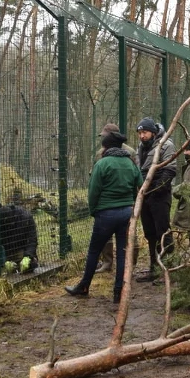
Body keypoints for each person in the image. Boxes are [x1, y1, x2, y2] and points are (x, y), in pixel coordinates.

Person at [65, 127, 143, 303]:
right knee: (123, 253)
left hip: (106, 214)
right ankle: (119, 292)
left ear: (106, 148)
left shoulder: (102, 164)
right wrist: (131, 205)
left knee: (94, 250)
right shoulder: (130, 163)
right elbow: (140, 186)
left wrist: (94, 210)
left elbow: (93, 192)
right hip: (127, 213)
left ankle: (84, 286)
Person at [134, 116, 176, 280]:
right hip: (144, 196)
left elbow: (170, 170)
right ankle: (154, 268)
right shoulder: (141, 147)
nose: (142, 136)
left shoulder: (166, 145)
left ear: (152, 132)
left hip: (160, 195)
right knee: (149, 233)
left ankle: (167, 268)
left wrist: (157, 188)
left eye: (144, 132)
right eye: (139, 133)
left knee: (163, 232)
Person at [91, 123, 137, 273]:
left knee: (130, 234)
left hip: (126, 199)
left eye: (104, 136)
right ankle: (107, 261)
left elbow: (136, 175)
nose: (102, 138)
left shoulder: (130, 152)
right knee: (106, 235)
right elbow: (95, 177)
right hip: (106, 200)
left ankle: (131, 262)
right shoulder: (100, 153)